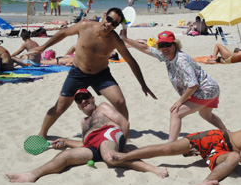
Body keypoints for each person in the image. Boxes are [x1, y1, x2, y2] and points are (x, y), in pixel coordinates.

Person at [33, 8, 156, 138]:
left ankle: (123, 135)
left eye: (114, 23)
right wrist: (43, 47)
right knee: (60, 107)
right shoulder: (85, 26)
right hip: (78, 73)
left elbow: (131, 61)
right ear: (104, 15)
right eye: (109, 19)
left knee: (120, 102)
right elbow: (63, 33)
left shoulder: (115, 40)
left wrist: (143, 84)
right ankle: (42, 134)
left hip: (101, 74)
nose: (109, 24)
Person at [5, 89, 168, 183]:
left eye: (85, 97)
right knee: (65, 156)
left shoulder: (102, 108)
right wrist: (66, 142)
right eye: (79, 100)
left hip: (109, 135)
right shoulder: (83, 122)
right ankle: (32, 174)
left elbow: (124, 122)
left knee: (109, 155)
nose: (83, 101)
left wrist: (123, 144)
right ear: (78, 106)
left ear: (93, 98)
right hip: (94, 147)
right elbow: (85, 145)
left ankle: (152, 169)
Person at [109, 115, 241, 185]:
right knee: (168, 149)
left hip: (225, 153)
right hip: (217, 138)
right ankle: (123, 156)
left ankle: (205, 182)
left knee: (234, 157)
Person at [120, 30, 226, 142]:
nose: (164, 48)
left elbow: (193, 85)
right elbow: (145, 48)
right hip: (212, 87)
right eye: (161, 45)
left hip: (205, 90)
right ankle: (227, 133)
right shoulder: (166, 55)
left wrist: (180, 101)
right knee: (206, 115)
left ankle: (171, 144)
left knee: (175, 113)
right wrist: (126, 39)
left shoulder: (181, 61)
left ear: (174, 45)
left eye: (168, 45)